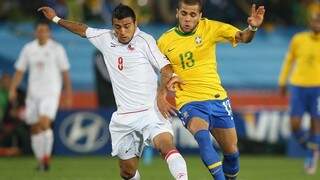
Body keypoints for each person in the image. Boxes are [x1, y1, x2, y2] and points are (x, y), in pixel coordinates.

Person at [38, 4, 188, 180]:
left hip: (151, 111)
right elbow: (82, 29)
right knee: (127, 172)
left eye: (127, 26)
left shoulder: (145, 41)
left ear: (135, 23)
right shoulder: (105, 38)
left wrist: (162, 96)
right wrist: (56, 19)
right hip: (124, 117)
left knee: (166, 147)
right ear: (112, 26)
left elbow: (166, 68)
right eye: (118, 27)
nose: (122, 31)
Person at [158, 0, 265, 179]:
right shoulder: (164, 41)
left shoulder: (211, 28)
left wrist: (252, 28)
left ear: (200, 16)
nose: (187, 19)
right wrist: (161, 94)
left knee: (232, 153)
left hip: (216, 97)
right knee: (202, 139)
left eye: (193, 15)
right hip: (189, 100)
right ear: (177, 13)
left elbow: (243, 37)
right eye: (184, 13)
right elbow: (162, 71)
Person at [9, 21, 73, 171]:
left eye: (44, 30)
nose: (41, 33)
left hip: (51, 93)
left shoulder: (57, 49)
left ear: (49, 33)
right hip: (33, 94)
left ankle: (46, 158)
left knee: (44, 123)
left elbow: (65, 73)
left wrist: (68, 94)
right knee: (34, 128)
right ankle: (41, 161)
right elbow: (19, 70)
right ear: (35, 32)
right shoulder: (28, 49)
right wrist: (13, 88)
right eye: (39, 30)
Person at [278, 12, 320, 175]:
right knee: (294, 124)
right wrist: (283, 81)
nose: (317, 23)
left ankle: (310, 156)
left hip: (318, 87)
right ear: (309, 22)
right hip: (298, 86)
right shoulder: (298, 39)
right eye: (315, 20)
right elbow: (289, 60)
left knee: (316, 123)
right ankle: (312, 147)